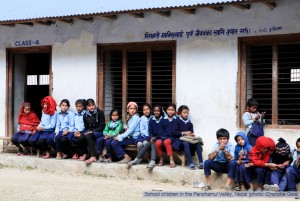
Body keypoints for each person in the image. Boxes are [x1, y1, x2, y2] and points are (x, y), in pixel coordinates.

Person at [128, 105, 164, 169]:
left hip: (161, 137)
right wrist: (151, 137)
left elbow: (162, 132)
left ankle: (150, 160)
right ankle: (139, 159)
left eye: (158, 111)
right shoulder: (152, 120)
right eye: (155, 111)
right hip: (153, 137)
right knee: (149, 143)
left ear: (161, 111)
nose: (156, 112)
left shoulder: (163, 120)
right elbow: (150, 131)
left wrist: (154, 137)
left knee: (151, 142)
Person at [173, 105, 203, 170]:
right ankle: (191, 163)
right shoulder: (177, 121)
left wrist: (191, 135)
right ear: (180, 113)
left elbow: (191, 132)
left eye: (187, 113)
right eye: (184, 113)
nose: (186, 114)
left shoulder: (189, 123)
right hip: (179, 140)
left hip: (188, 139)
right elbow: (174, 132)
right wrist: (184, 133)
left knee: (197, 143)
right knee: (186, 143)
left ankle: (201, 162)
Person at [78, 98, 105, 163]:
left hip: (99, 132)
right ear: (86, 107)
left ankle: (93, 157)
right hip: (90, 131)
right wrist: (81, 132)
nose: (91, 107)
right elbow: (86, 127)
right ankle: (85, 154)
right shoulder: (85, 115)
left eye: (93, 105)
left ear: (95, 105)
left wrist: (92, 132)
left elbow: (102, 126)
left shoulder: (100, 113)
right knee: (81, 137)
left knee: (88, 136)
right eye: (89, 106)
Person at [155, 103, 177, 168]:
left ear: (175, 111)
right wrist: (163, 137)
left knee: (167, 141)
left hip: (173, 138)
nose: (170, 111)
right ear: (166, 110)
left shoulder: (176, 120)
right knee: (158, 143)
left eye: (172, 110)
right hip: (163, 137)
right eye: (169, 109)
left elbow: (177, 131)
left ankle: (171, 159)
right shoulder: (163, 120)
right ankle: (161, 158)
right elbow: (160, 130)